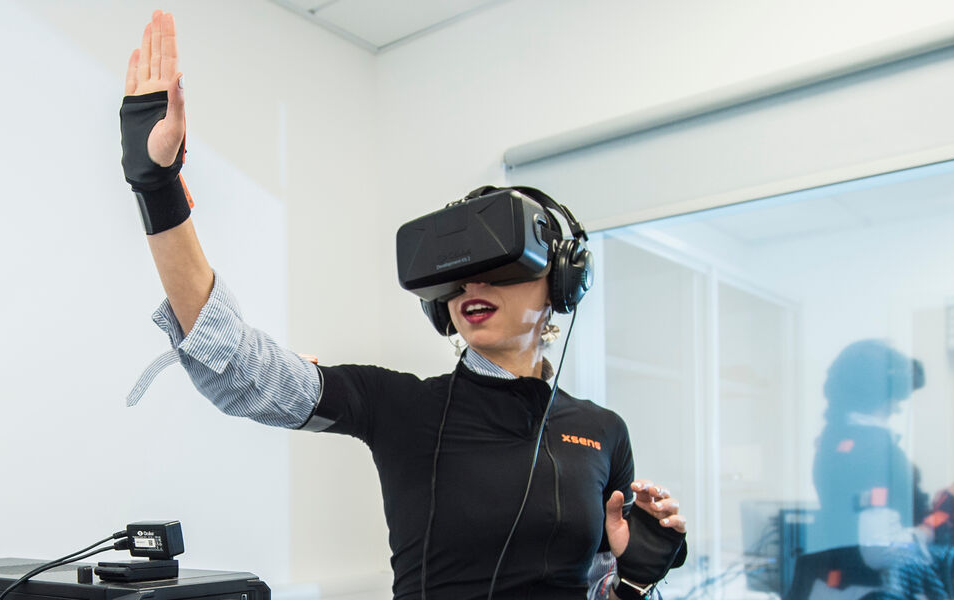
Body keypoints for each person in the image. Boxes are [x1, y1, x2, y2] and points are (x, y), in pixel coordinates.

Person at [117, 11, 688, 600]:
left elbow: (603, 591)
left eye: (496, 267)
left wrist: (637, 581)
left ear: (562, 281)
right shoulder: (402, 407)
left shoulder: (602, 432)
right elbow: (237, 366)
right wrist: (157, 190)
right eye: (458, 277)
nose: (472, 288)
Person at [804, 339, 954, 598]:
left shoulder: (834, 443)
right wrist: (942, 517)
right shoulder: (875, 451)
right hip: (869, 590)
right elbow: (881, 551)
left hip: (832, 589)